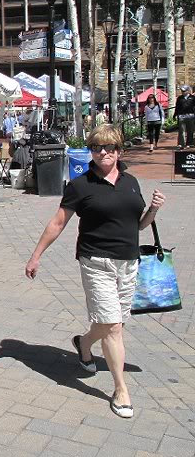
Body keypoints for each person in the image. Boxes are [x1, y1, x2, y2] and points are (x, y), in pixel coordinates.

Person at [25, 125, 165, 419]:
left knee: (115, 322)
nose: (103, 152)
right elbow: (58, 223)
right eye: (97, 147)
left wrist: (153, 210)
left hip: (129, 262)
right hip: (96, 261)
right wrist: (36, 256)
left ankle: (84, 343)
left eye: (109, 147)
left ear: (119, 151)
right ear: (91, 151)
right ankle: (121, 390)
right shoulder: (80, 185)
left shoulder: (131, 182)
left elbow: (138, 225)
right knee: (112, 326)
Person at [173, 85, 195, 149]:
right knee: (181, 131)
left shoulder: (193, 98)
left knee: (190, 130)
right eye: (182, 91)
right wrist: (175, 115)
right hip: (181, 116)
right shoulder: (179, 98)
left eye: (184, 91)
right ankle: (181, 144)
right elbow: (177, 107)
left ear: (188, 91)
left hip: (191, 115)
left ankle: (189, 143)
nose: (183, 92)